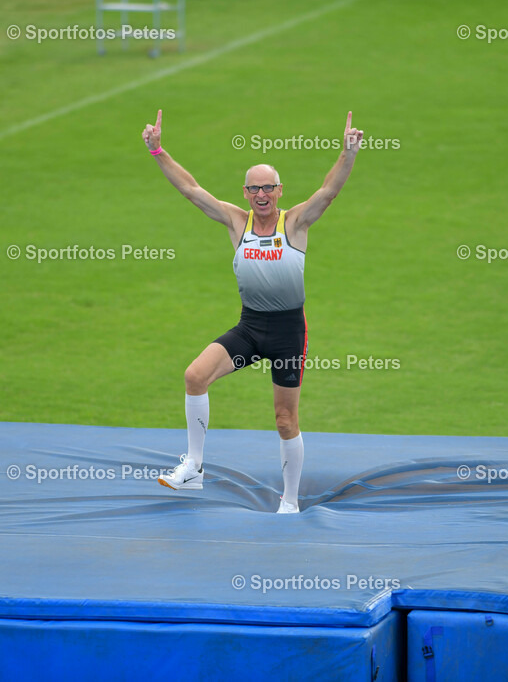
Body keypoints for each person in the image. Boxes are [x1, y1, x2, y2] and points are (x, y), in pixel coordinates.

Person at [143, 109, 364, 513]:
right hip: (250, 327)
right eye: (254, 189)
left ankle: (290, 500)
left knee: (285, 419)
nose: (261, 195)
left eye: (268, 188)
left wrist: (347, 153)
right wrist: (158, 150)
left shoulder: (294, 223)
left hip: (287, 333)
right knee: (195, 376)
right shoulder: (236, 222)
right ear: (245, 193)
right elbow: (191, 190)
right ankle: (193, 467)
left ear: (279, 191)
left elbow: (328, 192)